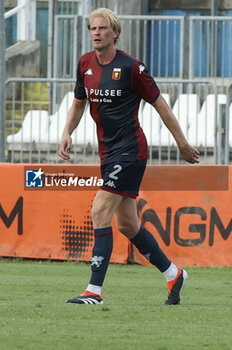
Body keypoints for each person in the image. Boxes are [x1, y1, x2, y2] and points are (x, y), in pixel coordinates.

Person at [59, 8, 200, 305]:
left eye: (102, 28)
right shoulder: (85, 64)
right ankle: (174, 274)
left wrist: (182, 144)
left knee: (99, 211)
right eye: (92, 29)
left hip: (131, 150)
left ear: (115, 32)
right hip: (108, 154)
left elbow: (161, 105)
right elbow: (78, 103)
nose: (96, 33)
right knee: (126, 224)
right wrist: (67, 131)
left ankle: (94, 292)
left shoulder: (132, 68)